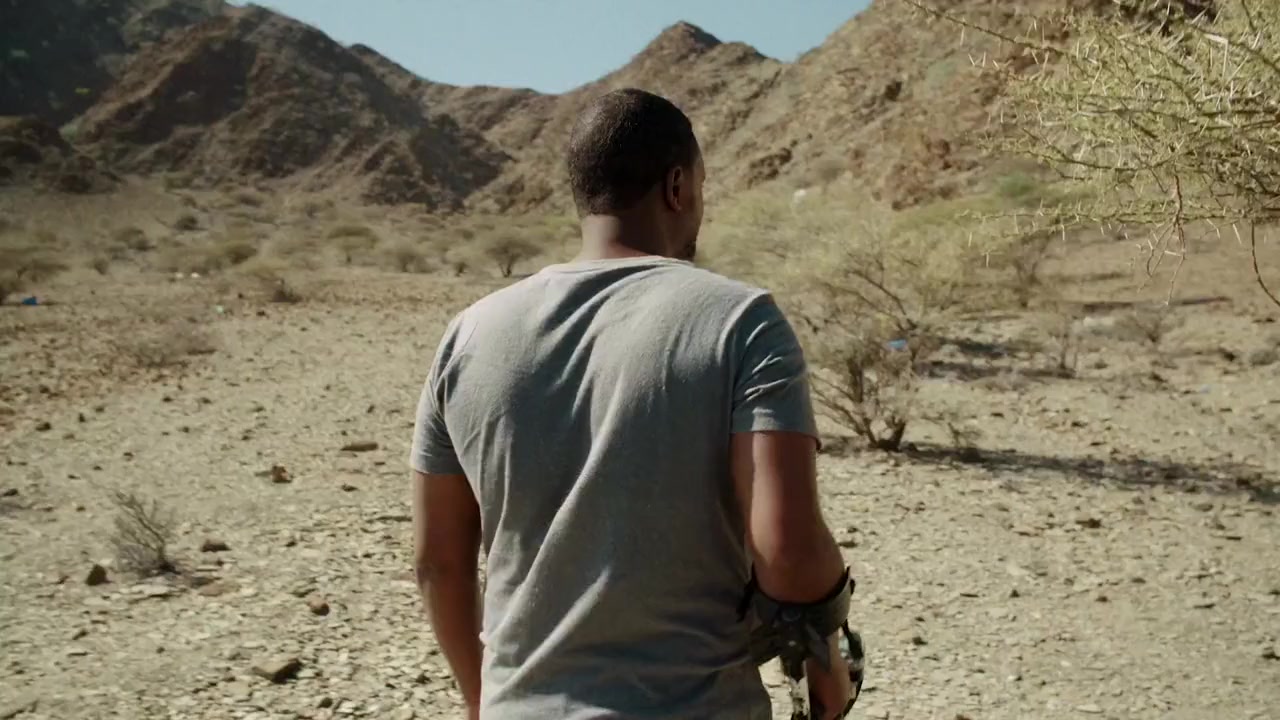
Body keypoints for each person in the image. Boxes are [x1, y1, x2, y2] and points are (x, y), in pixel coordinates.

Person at [410, 87, 853, 720]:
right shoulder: (741, 321)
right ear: (677, 186)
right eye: (701, 187)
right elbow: (788, 554)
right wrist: (828, 675)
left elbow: (439, 564)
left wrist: (486, 703)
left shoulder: (469, 333)